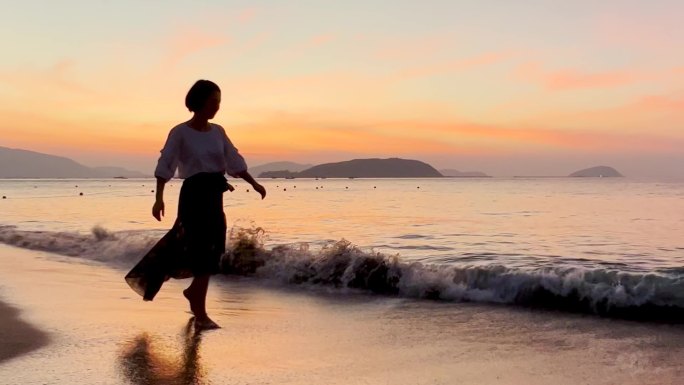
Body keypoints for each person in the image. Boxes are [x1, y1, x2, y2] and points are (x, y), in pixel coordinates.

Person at [129, 79, 266, 330]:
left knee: (213, 249)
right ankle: (200, 313)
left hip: (215, 195)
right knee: (196, 248)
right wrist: (158, 198)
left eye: (219, 102)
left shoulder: (218, 131)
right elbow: (166, 163)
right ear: (200, 101)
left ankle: (194, 293)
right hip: (193, 195)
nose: (217, 106)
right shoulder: (180, 132)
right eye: (214, 101)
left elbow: (233, 158)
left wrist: (254, 183)